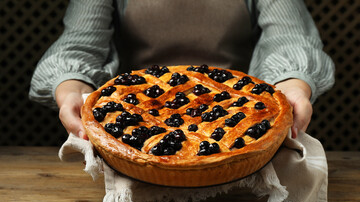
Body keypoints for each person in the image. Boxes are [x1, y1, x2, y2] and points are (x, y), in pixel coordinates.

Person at [30, 0, 335, 140]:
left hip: (234, 119)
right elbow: (79, 46)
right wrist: (71, 90)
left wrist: (293, 86)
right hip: (138, 120)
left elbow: (289, 39)